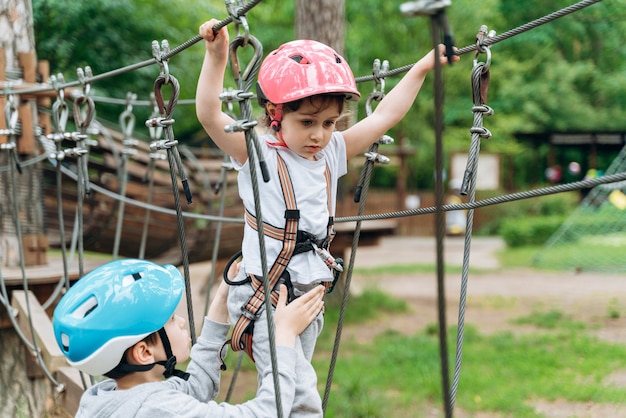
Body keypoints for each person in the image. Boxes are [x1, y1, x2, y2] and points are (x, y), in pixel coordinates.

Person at [196, 18, 459, 416]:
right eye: (306, 122)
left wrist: (421, 67)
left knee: (295, 386)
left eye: (329, 123)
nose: (319, 134)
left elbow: (385, 116)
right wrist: (216, 56)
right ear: (274, 113)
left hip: (308, 299)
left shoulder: (330, 152)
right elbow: (209, 116)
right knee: (300, 401)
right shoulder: (257, 151)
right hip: (265, 294)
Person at [52, 258, 325, 418]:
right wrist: (285, 338)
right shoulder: (160, 409)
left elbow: (196, 388)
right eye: (170, 320)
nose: (181, 322)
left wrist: (220, 307)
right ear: (144, 352)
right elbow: (265, 413)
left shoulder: (102, 398)